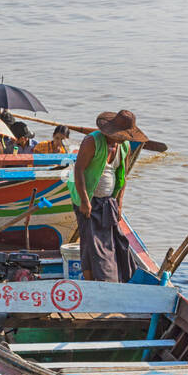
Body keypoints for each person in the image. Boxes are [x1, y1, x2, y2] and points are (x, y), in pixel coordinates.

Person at [71, 110, 145, 282]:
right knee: (91, 245)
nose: (123, 139)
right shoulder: (92, 141)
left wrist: (119, 203)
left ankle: (115, 279)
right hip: (88, 199)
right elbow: (79, 170)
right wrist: (84, 201)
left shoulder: (124, 146)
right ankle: (95, 283)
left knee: (116, 243)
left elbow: (122, 175)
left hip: (108, 201)